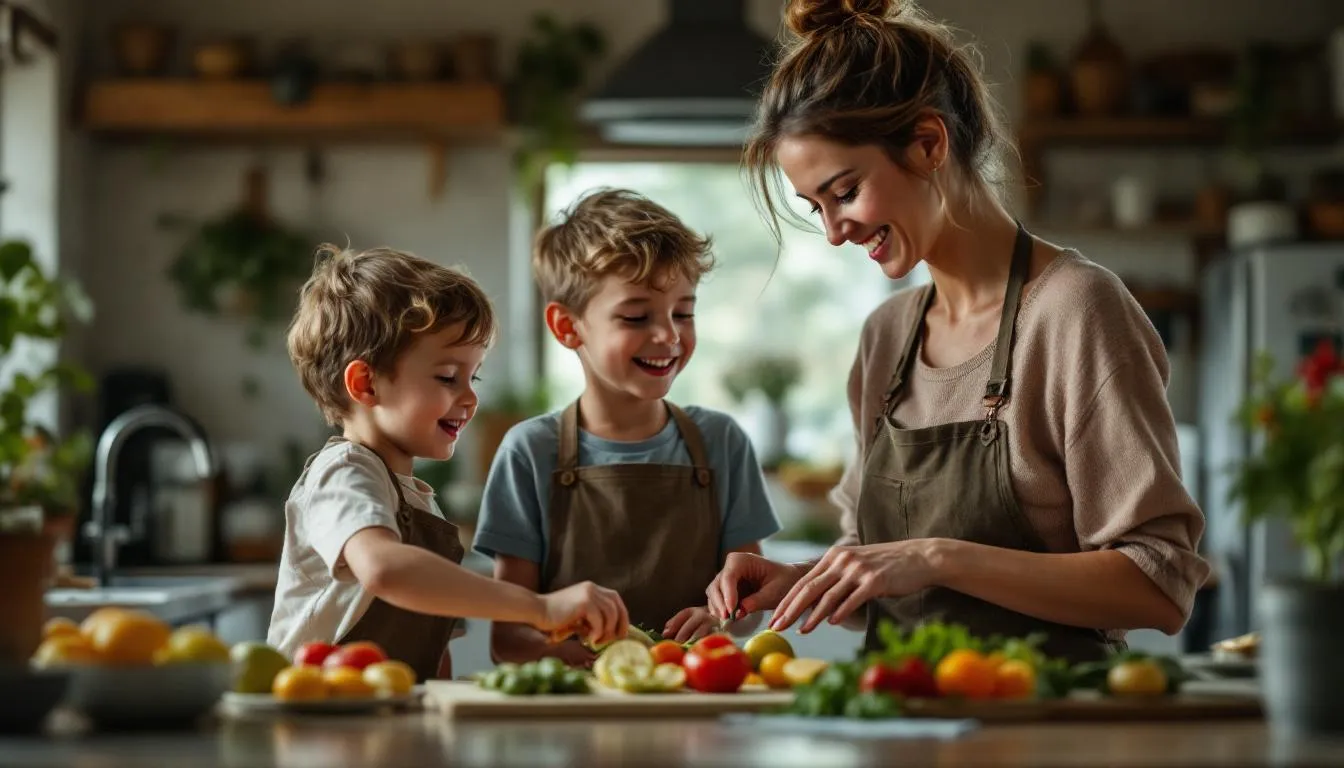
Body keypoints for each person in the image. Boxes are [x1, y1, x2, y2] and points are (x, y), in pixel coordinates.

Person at [706, 0, 1209, 663]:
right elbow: (889, 581)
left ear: (928, 143)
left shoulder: (1076, 312)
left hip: (1046, 732)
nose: (834, 233)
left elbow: (1158, 587)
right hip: (898, 727)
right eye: (816, 208)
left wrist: (938, 558)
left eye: (846, 191)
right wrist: (799, 583)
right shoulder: (886, 337)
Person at [269, 244, 627, 681]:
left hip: (385, 720)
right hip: (319, 724)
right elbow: (385, 567)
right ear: (366, 384)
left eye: (472, 376)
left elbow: (433, 648)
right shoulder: (343, 472)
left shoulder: (418, 501)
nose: (471, 396)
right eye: (447, 377)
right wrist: (541, 608)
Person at [474, 189, 782, 667]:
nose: (670, 336)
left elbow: (748, 607)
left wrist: (720, 619)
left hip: (697, 710)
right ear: (566, 326)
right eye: (637, 316)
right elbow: (509, 642)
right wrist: (613, 663)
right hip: (573, 720)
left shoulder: (722, 441)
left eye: (684, 311)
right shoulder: (530, 451)